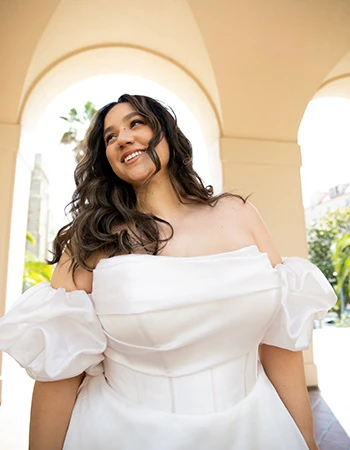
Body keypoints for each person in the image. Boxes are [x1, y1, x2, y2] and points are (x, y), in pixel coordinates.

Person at [0, 94, 336, 450]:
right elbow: (60, 371)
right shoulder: (91, 240)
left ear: (166, 133)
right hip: (127, 433)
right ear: (107, 159)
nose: (123, 138)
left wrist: (307, 441)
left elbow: (280, 342)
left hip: (258, 427)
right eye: (110, 137)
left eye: (135, 123)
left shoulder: (239, 213)